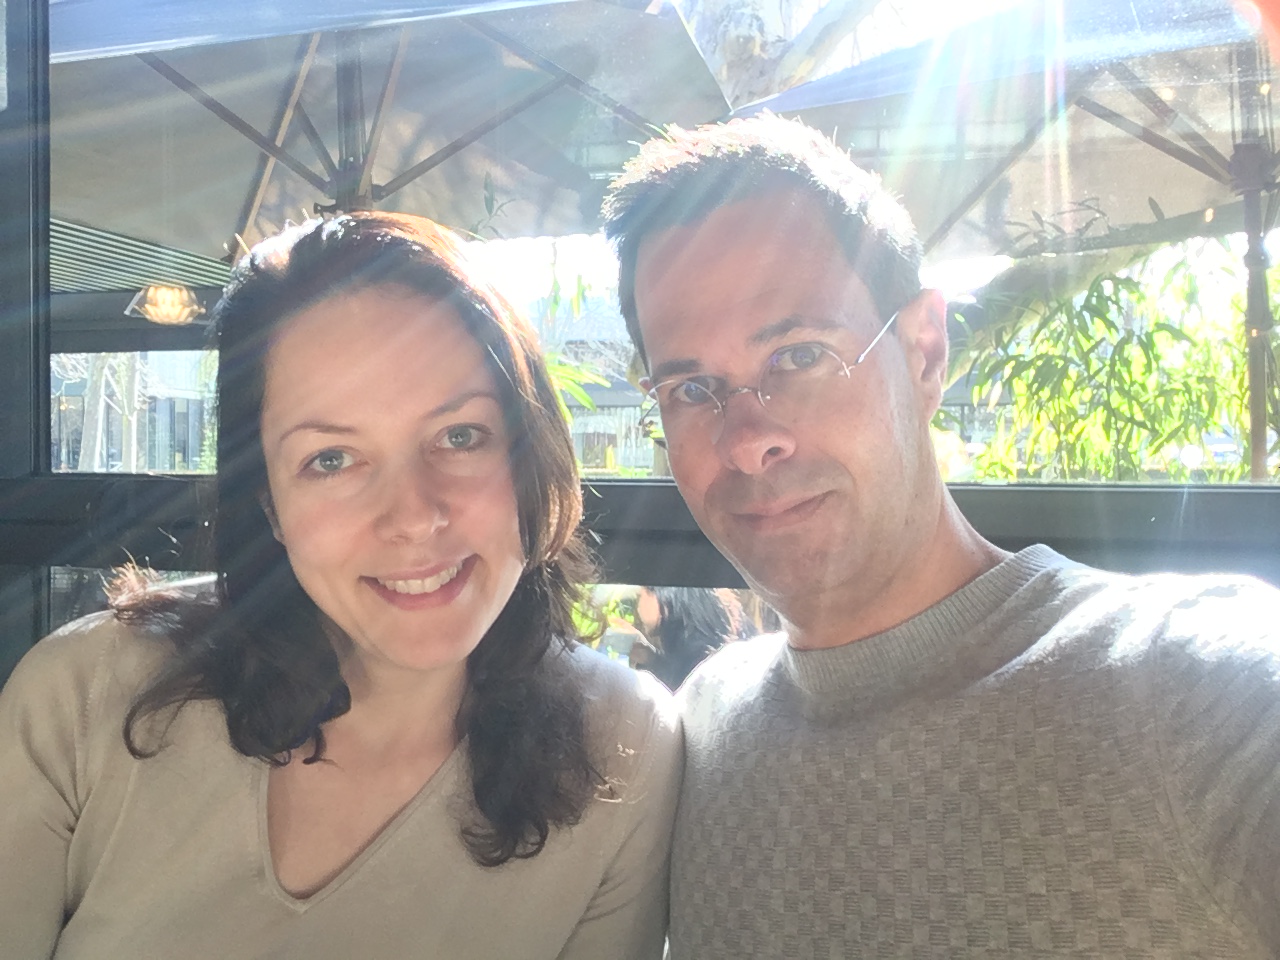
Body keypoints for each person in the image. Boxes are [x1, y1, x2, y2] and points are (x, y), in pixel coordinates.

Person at [602, 114, 1280, 957]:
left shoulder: (1195, 688)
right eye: (692, 389)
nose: (746, 440)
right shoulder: (702, 728)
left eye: (799, 356)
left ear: (924, 352)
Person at [0, 212, 681, 959]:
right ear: (270, 505)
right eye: (331, 459)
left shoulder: (623, 746)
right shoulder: (83, 700)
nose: (414, 517)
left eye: (460, 436)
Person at [631, 587, 750, 689]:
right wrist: (650, 659)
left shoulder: (697, 657)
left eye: (640, 596)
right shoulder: (707, 645)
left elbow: (682, 692)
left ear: (662, 596)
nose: (638, 608)